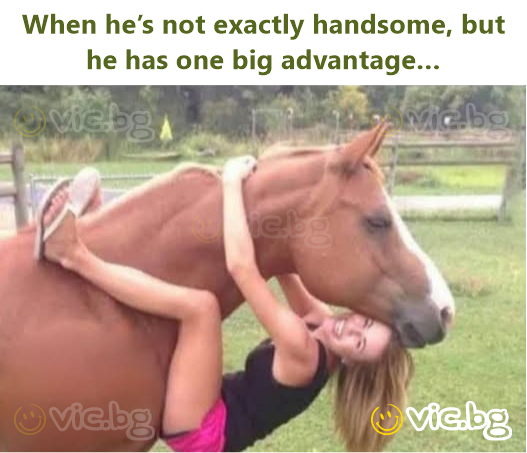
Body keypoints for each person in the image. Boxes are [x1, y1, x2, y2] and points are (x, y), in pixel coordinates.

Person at [35, 158, 414, 453]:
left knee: (201, 308)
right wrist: (279, 206)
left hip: (204, 434)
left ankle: (73, 253)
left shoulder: (304, 352)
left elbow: (242, 268)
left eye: (358, 343)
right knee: (195, 298)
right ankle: (97, 228)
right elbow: (280, 267)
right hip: (209, 402)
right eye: (365, 324)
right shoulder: (323, 323)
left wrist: (232, 183)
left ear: (350, 362)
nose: (351, 329)